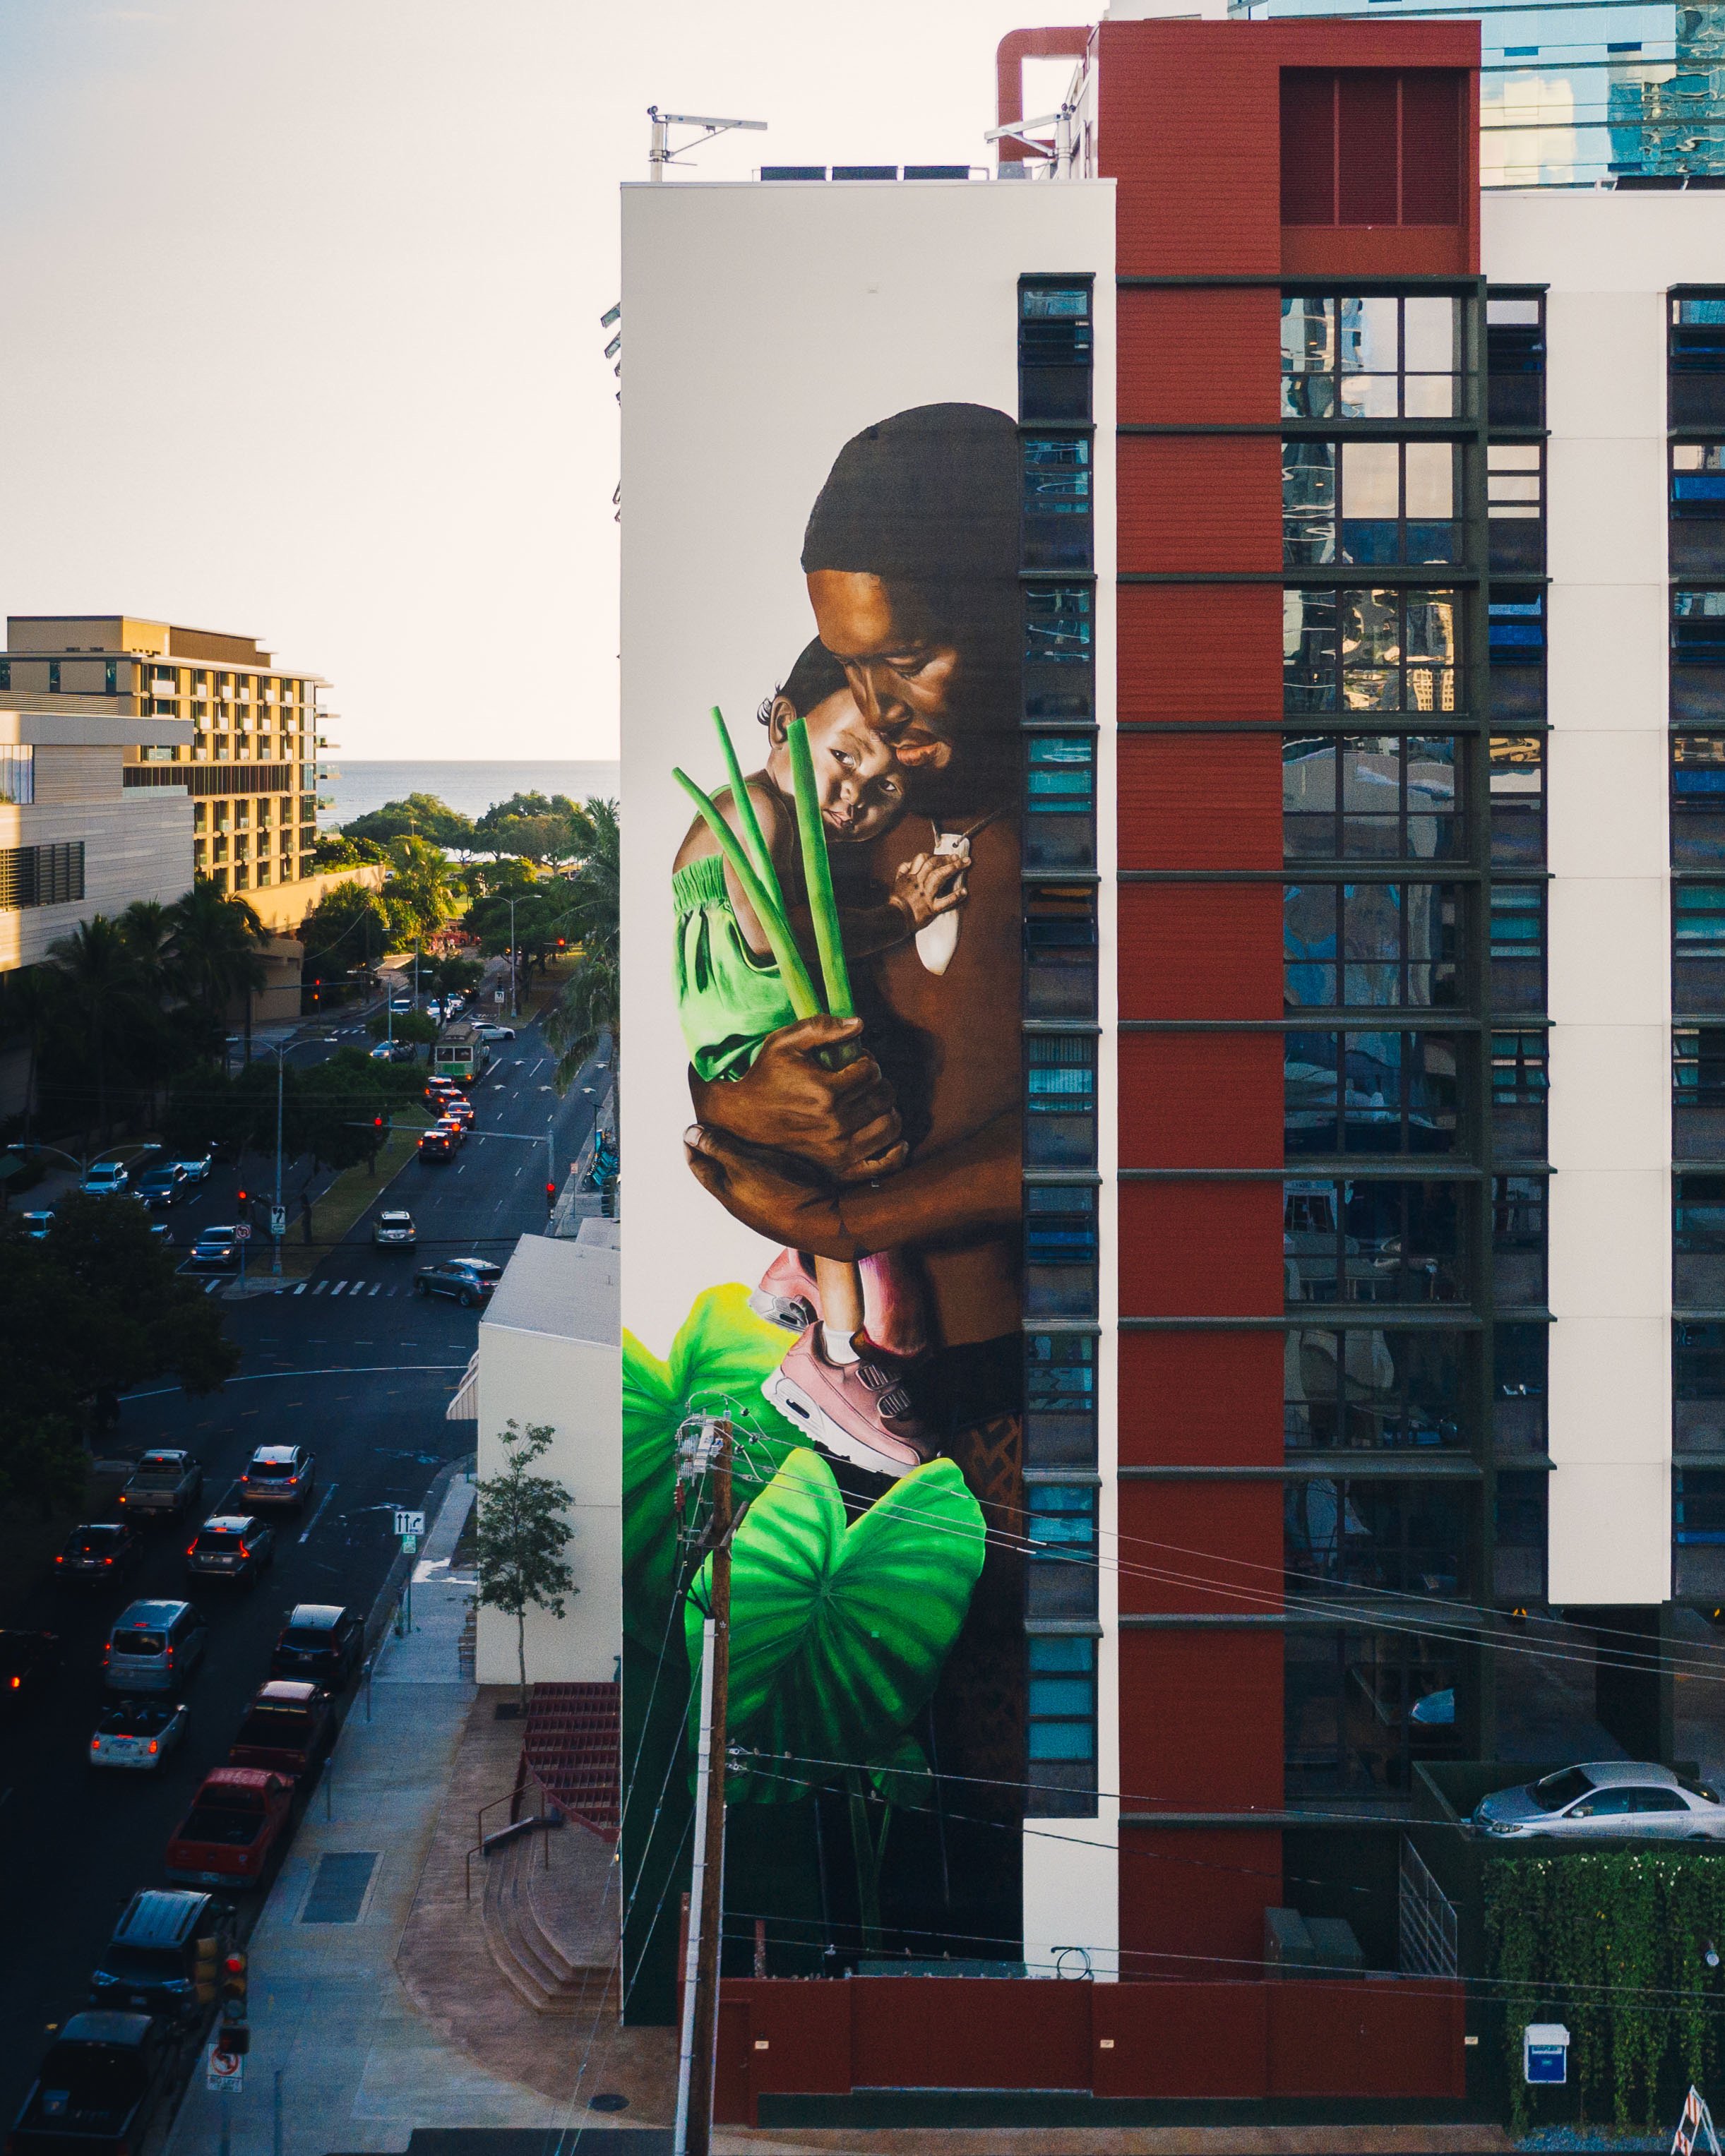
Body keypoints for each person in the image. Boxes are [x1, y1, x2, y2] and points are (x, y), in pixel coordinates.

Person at [672, 637, 967, 1475]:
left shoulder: (800, 821)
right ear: (784, 724)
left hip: (777, 1021)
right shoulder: (752, 811)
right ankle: (834, 1358)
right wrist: (904, 910)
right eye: (841, 758)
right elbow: (782, 937)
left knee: (881, 1097)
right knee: (840, 1145)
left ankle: (802, 1271)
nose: (854, 796)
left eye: (885, 789)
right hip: (751, 1039)